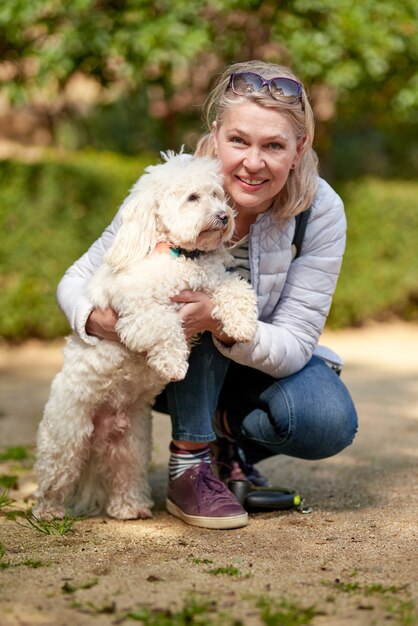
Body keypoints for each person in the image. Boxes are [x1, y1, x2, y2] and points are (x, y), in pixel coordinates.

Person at [57, 60, 358, 530]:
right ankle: (190, 468)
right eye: (238, 140)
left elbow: (298, 340)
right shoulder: (169, 186)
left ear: (300, 148)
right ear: (216, 135)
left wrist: (219, 318)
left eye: (274, 145)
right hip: (168, 367)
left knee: (325, 420)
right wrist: (102, 322)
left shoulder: (320, 211)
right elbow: (75, 280)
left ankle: (222, 440)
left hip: (254, 364)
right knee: (189, 298)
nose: (253, 163)